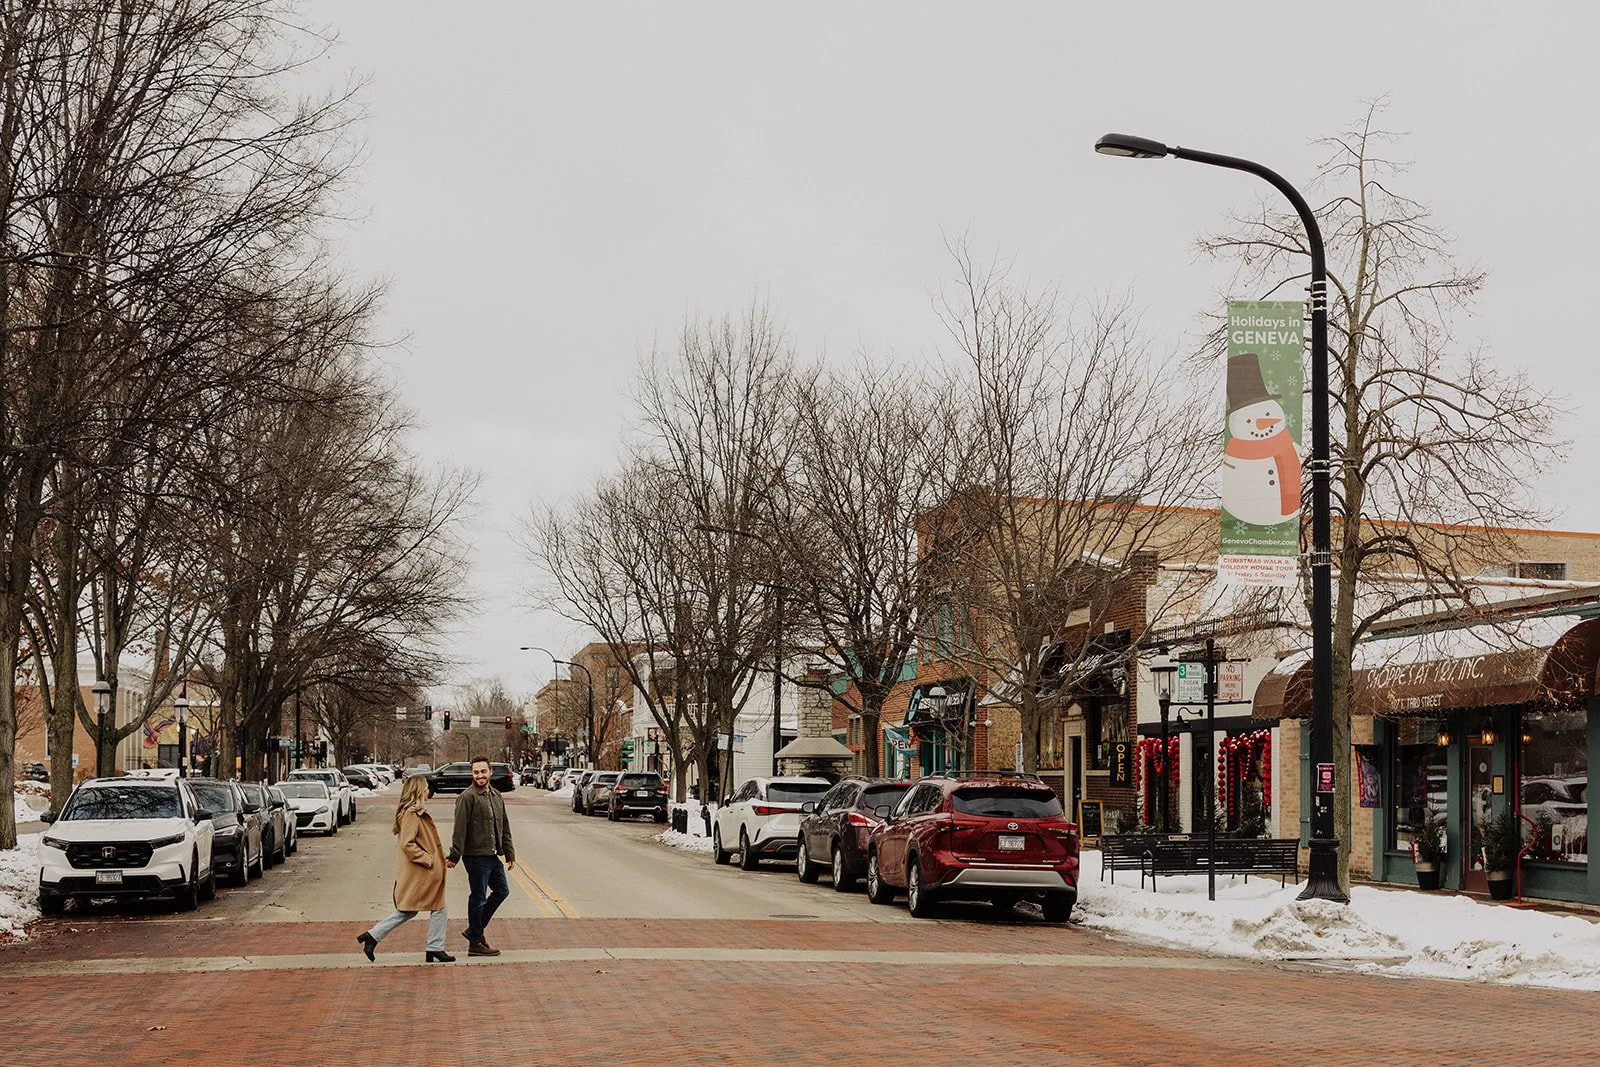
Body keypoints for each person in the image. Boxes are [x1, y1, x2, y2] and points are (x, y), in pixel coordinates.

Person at [356, 774, 455, 964]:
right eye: (425, 787)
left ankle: (433, 947)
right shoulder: (411, 814)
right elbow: (407, 844)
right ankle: (432, 947)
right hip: (420, 873)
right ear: (418, 790)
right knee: (416, 909)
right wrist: (428, 859)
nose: (428, 790)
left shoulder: (414, 813)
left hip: (422, 873)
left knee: (431, 908)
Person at [446, 754, 515, 956]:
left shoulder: (496, 796)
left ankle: (474, 931)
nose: (479, 775)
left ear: (490, 772)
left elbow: (504, 826)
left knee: (502, 891)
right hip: (474, 856)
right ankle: (475, 943)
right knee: (478, 897)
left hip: (492, 855)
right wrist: (454, 855)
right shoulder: (467, 797)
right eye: (476, 772)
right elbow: (459, 830)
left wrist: (509, 853)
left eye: (483, 771)